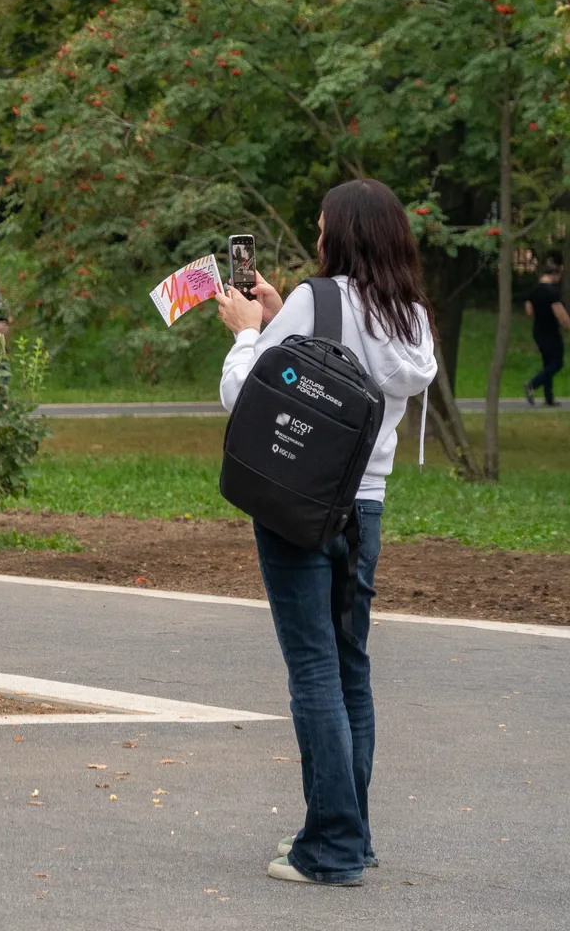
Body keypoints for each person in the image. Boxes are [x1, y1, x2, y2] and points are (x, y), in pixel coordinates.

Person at [215, 178, 437, 887]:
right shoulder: (411, 316)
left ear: (341, 234)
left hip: (299, 506)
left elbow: (247, 394)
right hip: (365, 506)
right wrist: (287, 316)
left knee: (313, 670)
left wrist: (249, 331)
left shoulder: (319, 299)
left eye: (320, 227)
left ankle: (332, 847)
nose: (315, 237)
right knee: (350, 670)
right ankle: (350, 831)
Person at [523, 255, 567, 407]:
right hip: (551, 332)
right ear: (555, 274)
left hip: (538, 331)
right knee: (557, 363)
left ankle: (549, 398)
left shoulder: (534, 291)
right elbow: (561, 315)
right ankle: (532, 384)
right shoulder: (552, 292)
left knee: (547, 363)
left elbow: (529, 311)